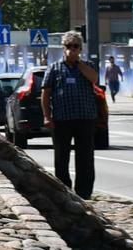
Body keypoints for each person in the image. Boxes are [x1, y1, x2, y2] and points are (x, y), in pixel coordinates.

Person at [40, 31, 107, 198]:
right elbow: (46, 94)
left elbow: (94, 78)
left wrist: (78, 63)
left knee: (85, 157)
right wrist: (47, 116)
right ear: (63, 48)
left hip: (85, 118)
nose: (72, 49)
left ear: (80, 48)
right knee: (61, 157)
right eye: (68, 46)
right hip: (62, 119)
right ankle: (63, 190)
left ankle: (84, 192)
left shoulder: (87, 65)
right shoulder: (54, 68)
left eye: (75, 46)